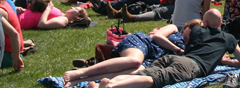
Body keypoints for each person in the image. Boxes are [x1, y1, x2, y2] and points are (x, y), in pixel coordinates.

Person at [89, 9, 240, 88]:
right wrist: (229, 63)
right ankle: (111, 86)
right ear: (221, 23)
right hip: (192, 66)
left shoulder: (196, 29)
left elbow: (194, 43)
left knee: (145, 73)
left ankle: (108, 82)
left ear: (204, 22)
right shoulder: (228, 38)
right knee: (156, 80)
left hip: (175, 58)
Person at [64, 20, 202, 87]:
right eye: (193, 29)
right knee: (134, 61)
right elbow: (157, 37)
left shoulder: (190, 47)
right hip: (145, 44)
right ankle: (80, 73)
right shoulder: (174, 29)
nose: (194, 34)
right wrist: (178, 50)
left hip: (152, 60)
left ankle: (79, 80)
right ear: (187, 27)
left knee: (136, 71)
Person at [17, 0, 89, 30]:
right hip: (19, 12)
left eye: (75, 9)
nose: (72, 7)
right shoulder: (61, 14)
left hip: (20, 20)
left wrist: (48, 8)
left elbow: (42, 24)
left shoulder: (63, 20)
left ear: (77, 17)